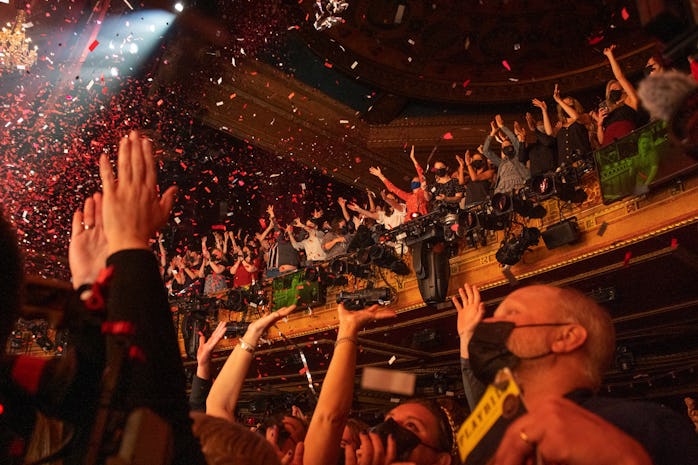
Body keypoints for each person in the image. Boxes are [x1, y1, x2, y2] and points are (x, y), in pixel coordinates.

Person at [453, 282, 698, 465]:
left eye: (511, 314)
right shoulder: (491, 440)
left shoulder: (646, 427)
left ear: (566, 337)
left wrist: (624, 457)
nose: (488, 325)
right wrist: (466, 335)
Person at [594, 45, 643, 147]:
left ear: (624, 90)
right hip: (609, 148)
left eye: (616, 89)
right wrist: (599, 124)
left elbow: (620, 77)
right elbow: (601, 140)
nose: (613, 92)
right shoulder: (609, 112)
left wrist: (610, 56)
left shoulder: (630, 101)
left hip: (626, 142)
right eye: (610, 90)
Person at [482, 115, 530, 195]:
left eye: (507, 146)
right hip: (502, 190)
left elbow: (514, 140)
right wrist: (493, 132)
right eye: (503, 147)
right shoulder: (501, 162)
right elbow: (486, 151)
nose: (505, 148)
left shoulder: (517, 156)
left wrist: (502, 126)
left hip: (517, 186)